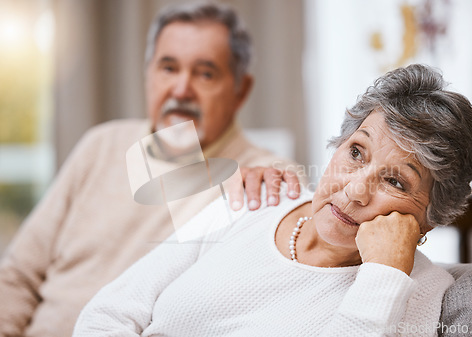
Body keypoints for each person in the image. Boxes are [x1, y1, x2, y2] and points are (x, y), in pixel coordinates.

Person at [73, 64, 472, 337]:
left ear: (430, 216)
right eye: (356, 151)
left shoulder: (414, 291)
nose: (355, 189)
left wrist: (384, 277)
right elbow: (108, 313)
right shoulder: (258, 199)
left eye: (394, 180)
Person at [0, 3, 303, 336]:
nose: (181, 89)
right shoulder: (101, 145)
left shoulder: (269, 181)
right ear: (148, 74)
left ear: (240, 90)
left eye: (205, 73)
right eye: (168, 68)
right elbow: (18, 276)